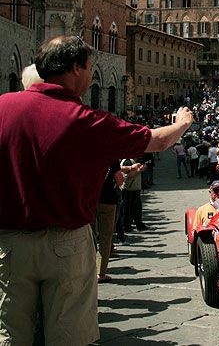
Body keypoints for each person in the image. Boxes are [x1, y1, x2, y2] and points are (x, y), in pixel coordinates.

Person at [0, 35, 193, 345]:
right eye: (90, 67)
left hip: (9, 242)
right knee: (68, 337)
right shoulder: (85, 120)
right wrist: (182, 123)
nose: (91, 76)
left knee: (9, 336)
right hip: (66, 243)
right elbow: (157, 141)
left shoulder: (2, 107)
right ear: (76, 68)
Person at [96, 161, 123, 283]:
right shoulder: (111, 155)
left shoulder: (84, 152)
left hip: (89, 200)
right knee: (105, 238)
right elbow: (120, 180)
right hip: (107, 200)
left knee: (89, 236)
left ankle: (86, 269)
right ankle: (100, 272)